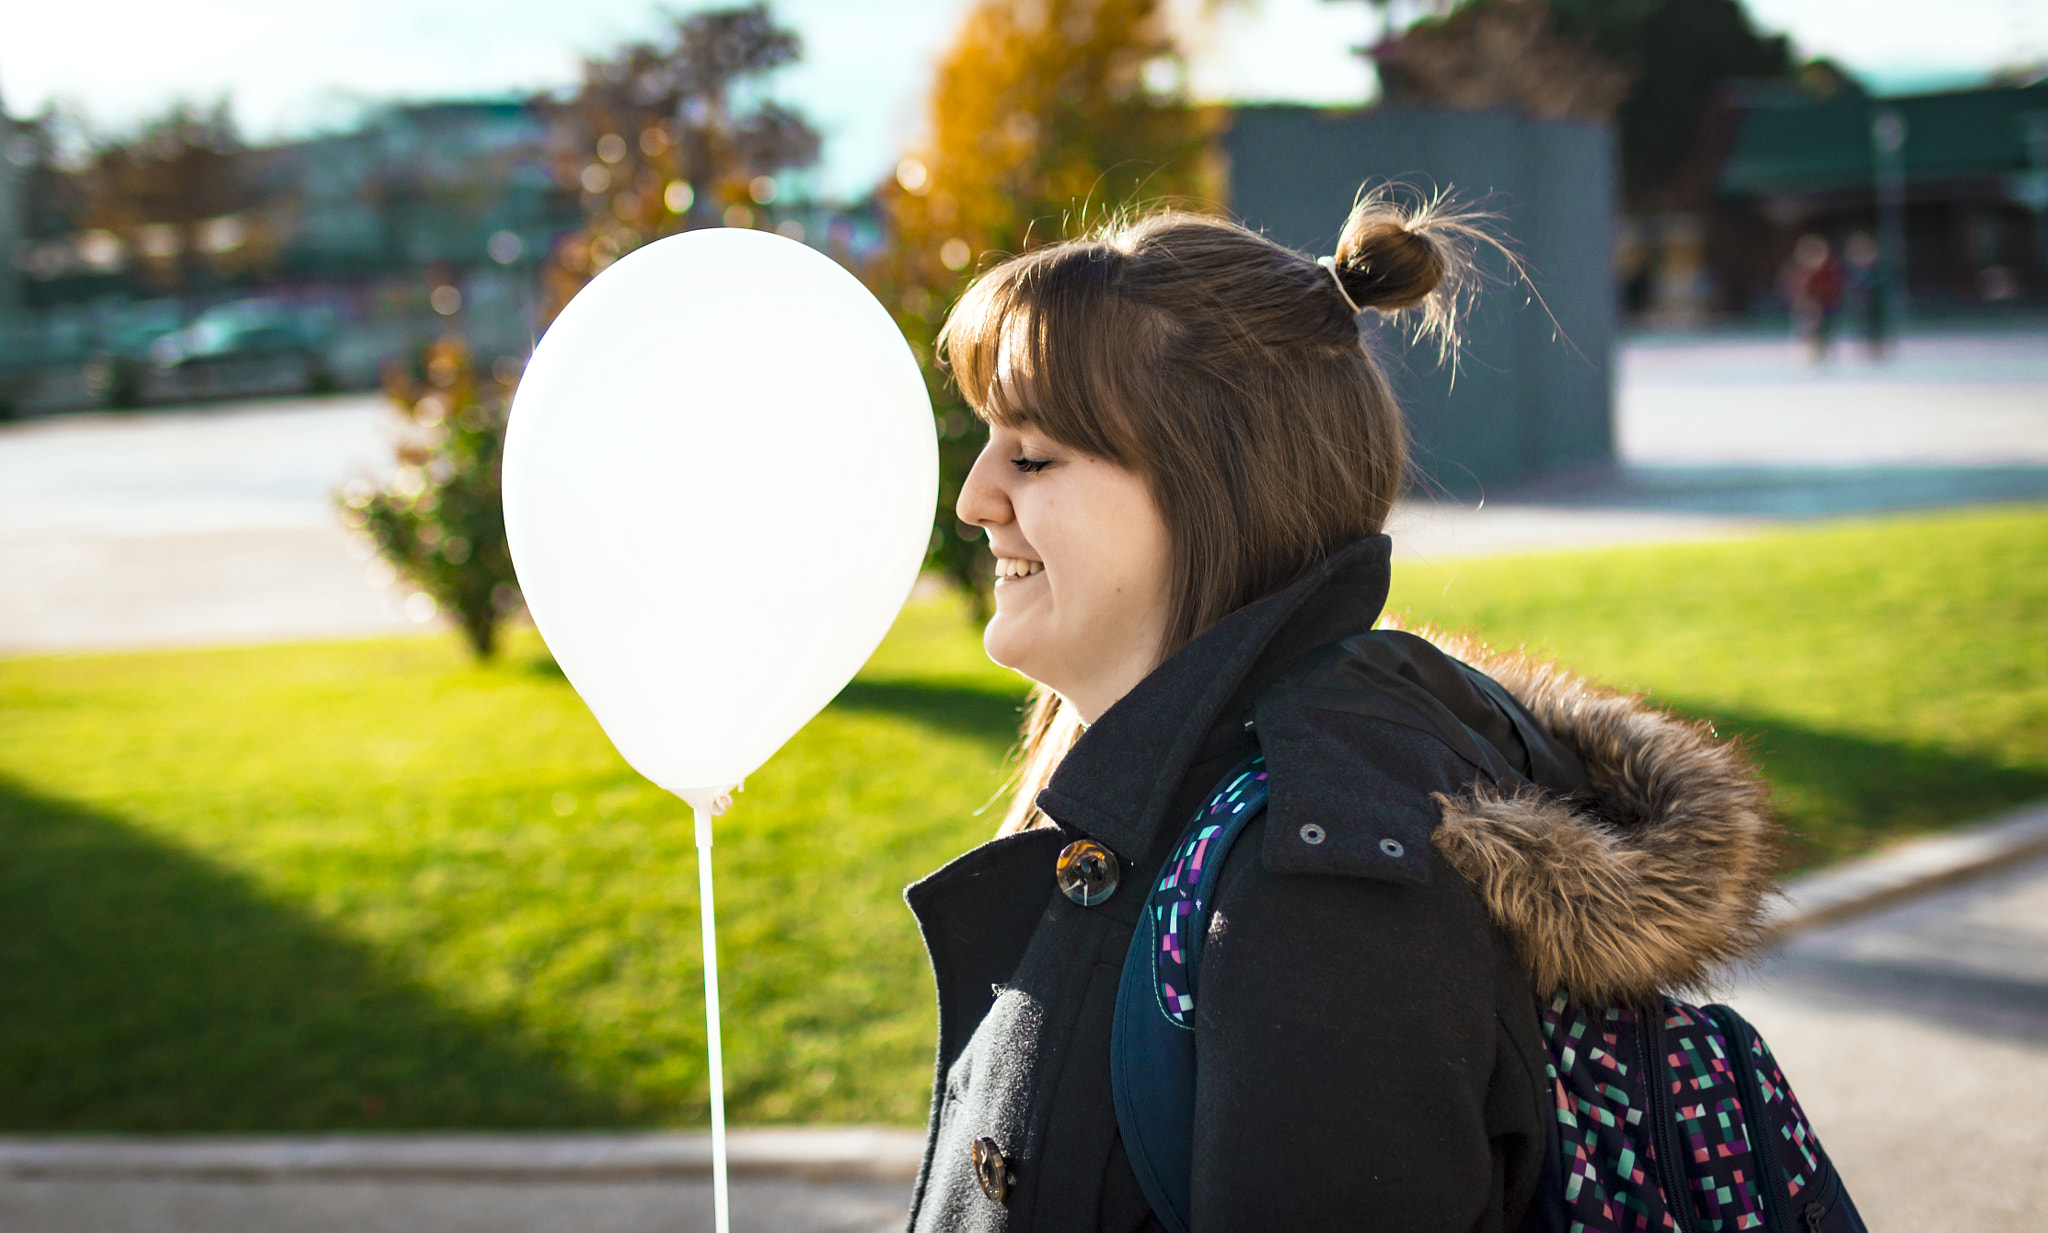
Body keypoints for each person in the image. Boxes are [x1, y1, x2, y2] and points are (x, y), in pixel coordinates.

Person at [902, 192, 1781, 1231]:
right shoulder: (1204, 806)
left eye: (1032, 453)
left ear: (1213, 479)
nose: (973, 497)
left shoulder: (1318, 906)